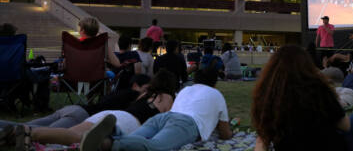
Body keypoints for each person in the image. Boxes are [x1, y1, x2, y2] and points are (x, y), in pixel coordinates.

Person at [12, 70, 176, 149]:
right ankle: (30, 132)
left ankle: (25, 135)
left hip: (114, 114)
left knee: (70, 136)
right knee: (78, 140)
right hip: (130, 123)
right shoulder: (168, 98)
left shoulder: (145, 94)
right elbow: (167, 123)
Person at [79, 68, 232, 151]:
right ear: (214, 84)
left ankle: (112, 133)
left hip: (163, 118)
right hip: (185, 124)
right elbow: (225, 133)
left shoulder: (186, 90)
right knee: (155, 146)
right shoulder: (216, 94)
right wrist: (229, 130)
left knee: (134, 138)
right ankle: (108, 142)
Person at [252, 45, 353, 151]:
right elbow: (345, 126)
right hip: (331, 145)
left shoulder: (266, 97)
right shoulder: (318, 89)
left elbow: (262, 141)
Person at [0, 74, 151, 135]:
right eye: (146, 89)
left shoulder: (118, 92)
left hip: (73, 109)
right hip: (81, 116)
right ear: (137, 85)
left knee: (25, 126)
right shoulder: (133, 96)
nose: (147, 93)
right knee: (38, 132)